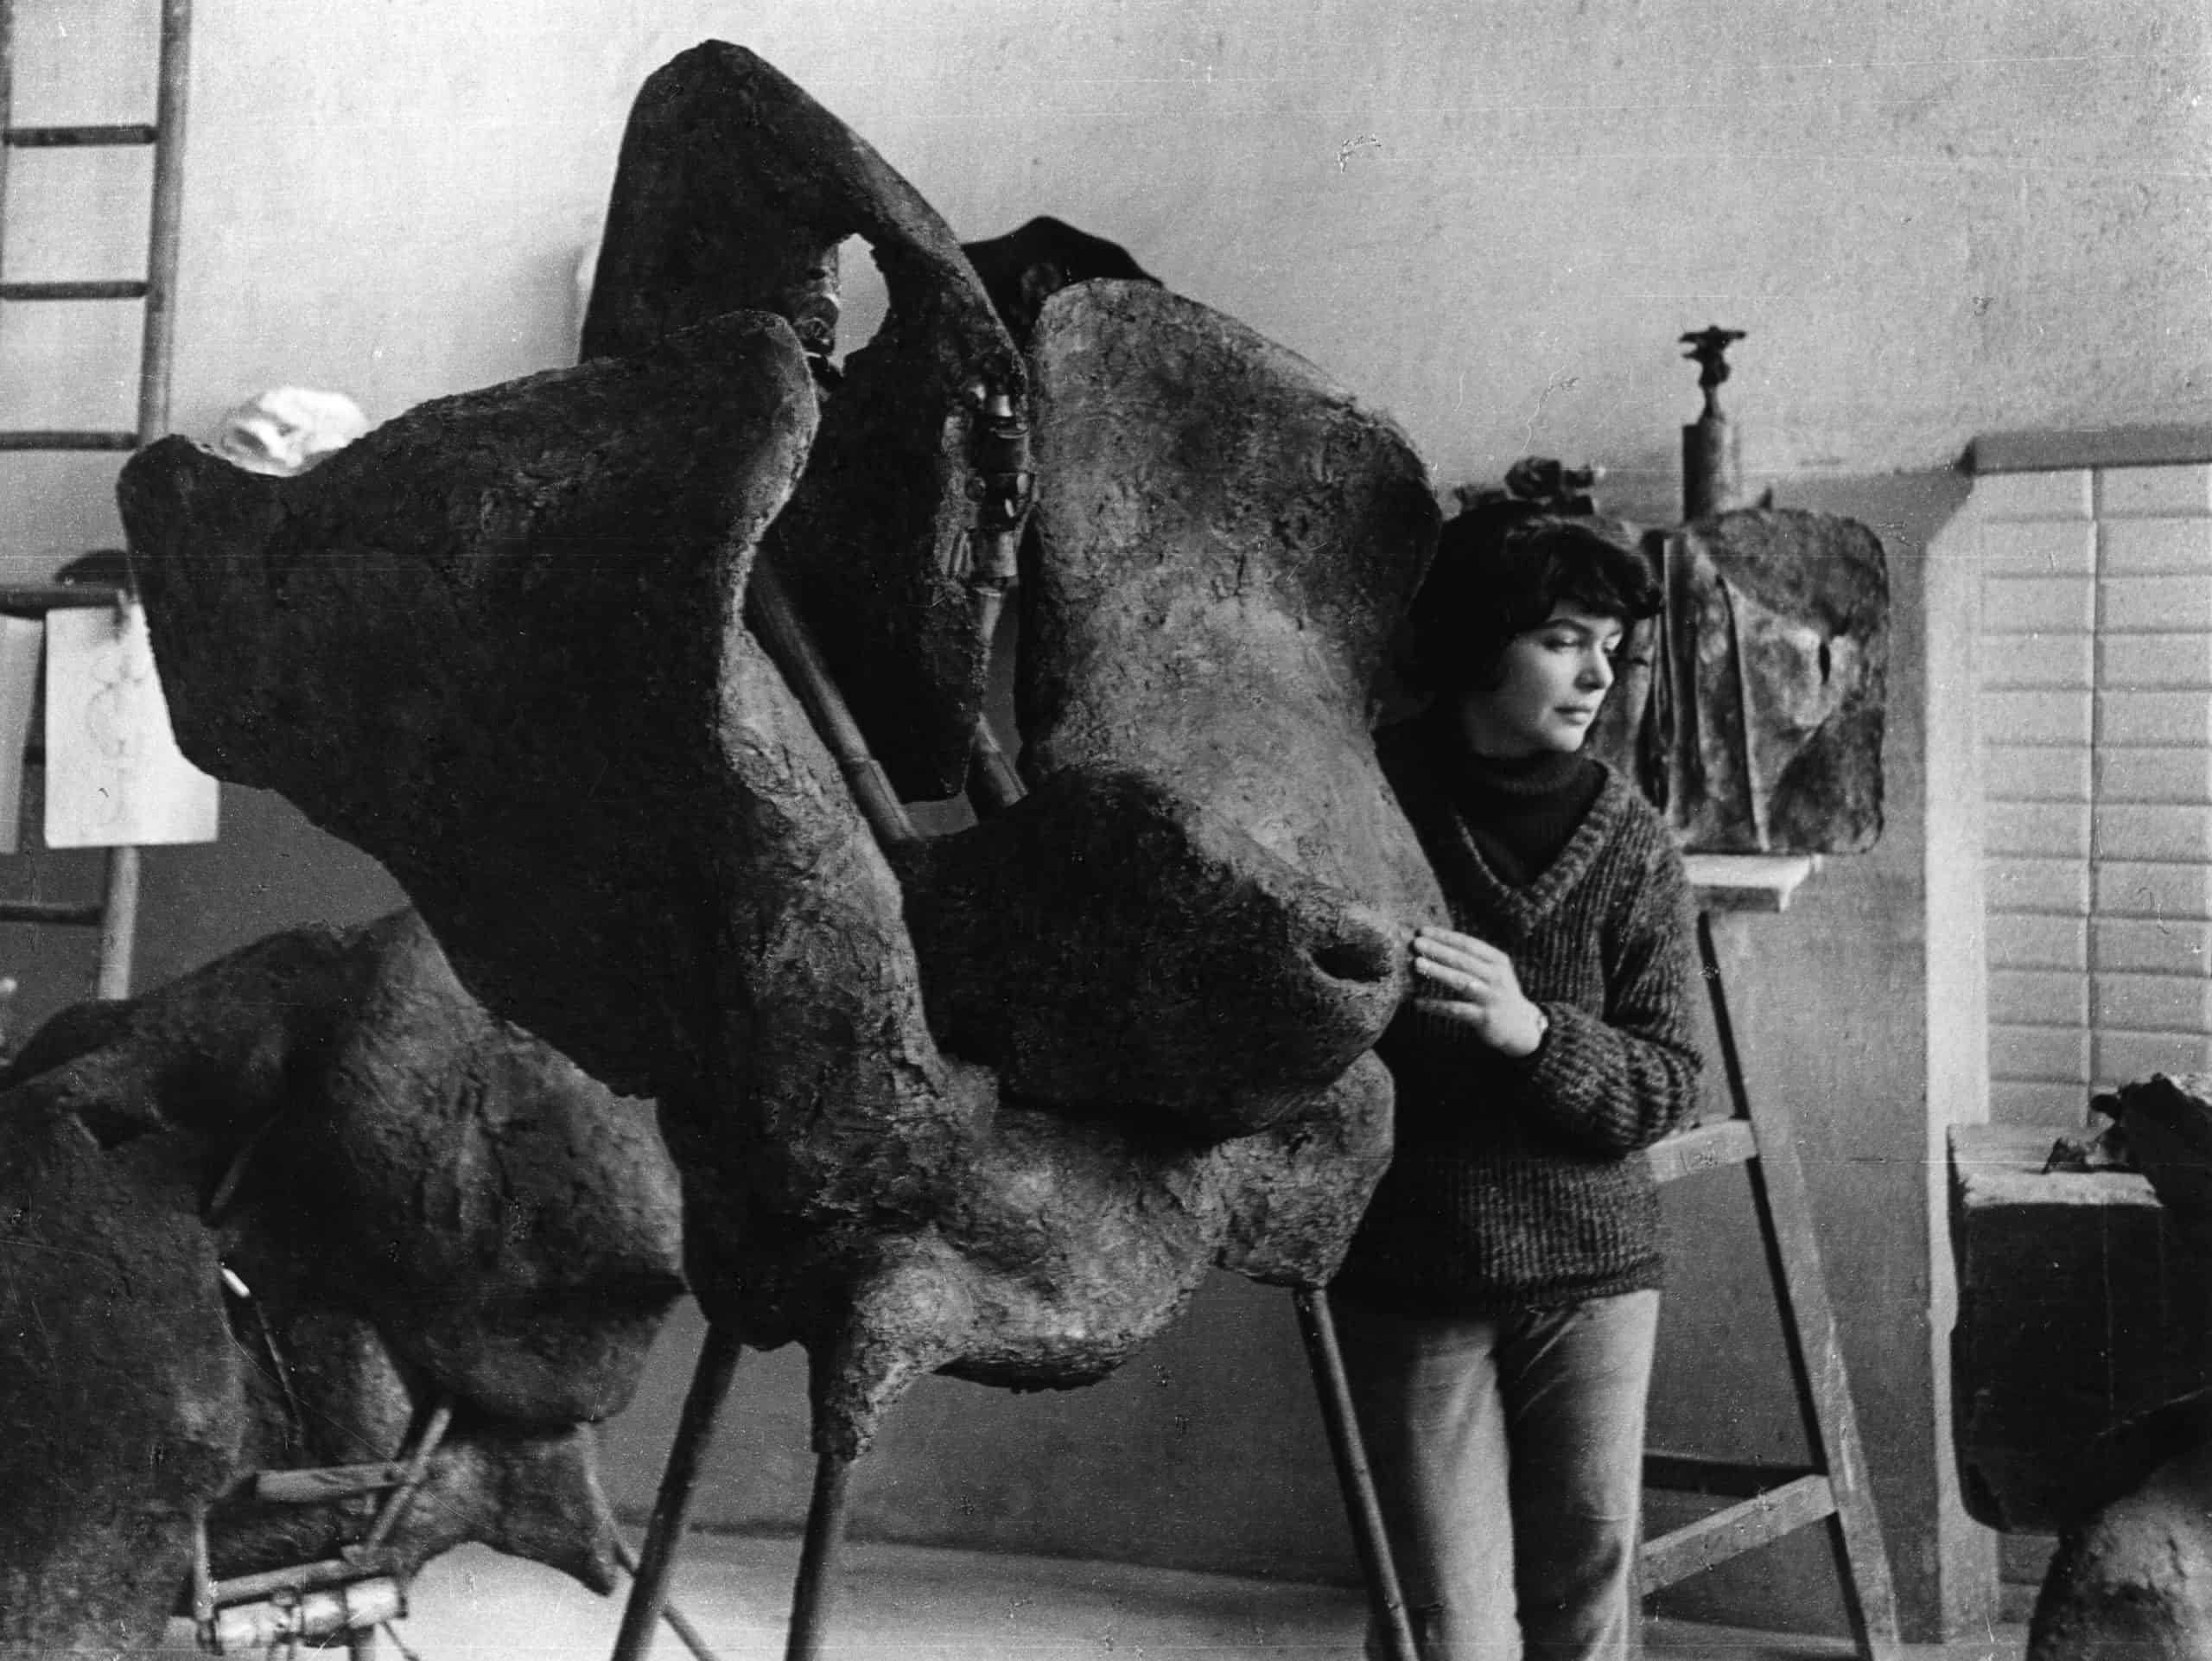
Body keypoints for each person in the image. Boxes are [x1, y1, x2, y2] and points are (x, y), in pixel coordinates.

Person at [1332, 510, 1705, 1661]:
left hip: (1592, 1278)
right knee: (1446, 1630)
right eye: (1562, 637)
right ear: (1482, 643)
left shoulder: (1632, 842)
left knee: (1585, 1610)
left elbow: (1668, 1084)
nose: (1599, 673)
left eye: (1611, 645)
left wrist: (1531, 1031)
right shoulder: (1364, 798)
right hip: (1410, 1270)